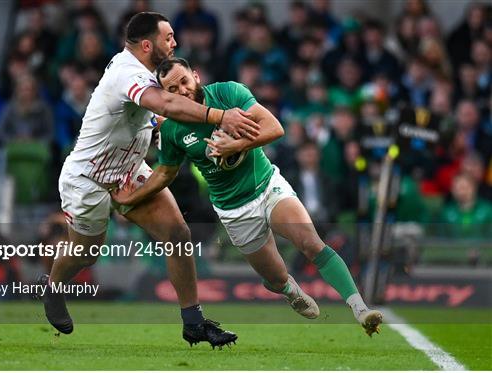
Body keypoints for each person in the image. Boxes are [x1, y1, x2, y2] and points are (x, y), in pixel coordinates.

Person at [112, 57, 383, 336]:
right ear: (165, 96)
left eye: (183, 81)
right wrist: (130, 198)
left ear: (195, 76)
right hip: (234, 211)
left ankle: (360, 309)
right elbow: (165, 173)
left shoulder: (228, 92)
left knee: (310, 242)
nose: (181, 90)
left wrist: (237, 145)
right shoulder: (171, 130)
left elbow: (275, 128)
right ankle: (289, 289)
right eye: (172, 89)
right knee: (275, 278)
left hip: (267, 187)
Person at [37, 12, 260, 349]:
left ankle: (193, 322)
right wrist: (220, 116)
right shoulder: (128, 72)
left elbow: (163, 112)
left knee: (177, 233)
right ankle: (52, 286)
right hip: (88, 177)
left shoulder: (148, 75)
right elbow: (167, 105)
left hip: (127, 169)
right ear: (147, 44)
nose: (175, 43)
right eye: (168, 37)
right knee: (87, 253)